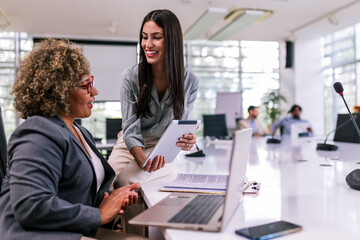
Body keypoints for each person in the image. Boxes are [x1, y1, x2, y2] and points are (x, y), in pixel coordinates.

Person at [0, 39, 142, 240]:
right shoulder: (38, 131)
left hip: (72, 231)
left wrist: (112, 202)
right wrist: (99, 214)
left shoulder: (81, 133)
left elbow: (77, 192)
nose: (95, 92)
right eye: (86, 85)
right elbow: (31, 206)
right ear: (59, 90)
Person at [108, 9, 199, 187]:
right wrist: (142, 160)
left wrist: (187, 140)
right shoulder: (130, 76)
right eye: (144, 37)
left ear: (172, 41)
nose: (147, 44)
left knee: (128, 182)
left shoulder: (190, 81)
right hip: (130, 144)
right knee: (108, 184)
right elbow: (130, 129)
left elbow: (181, 127)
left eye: (156, 37)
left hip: (162, 147)